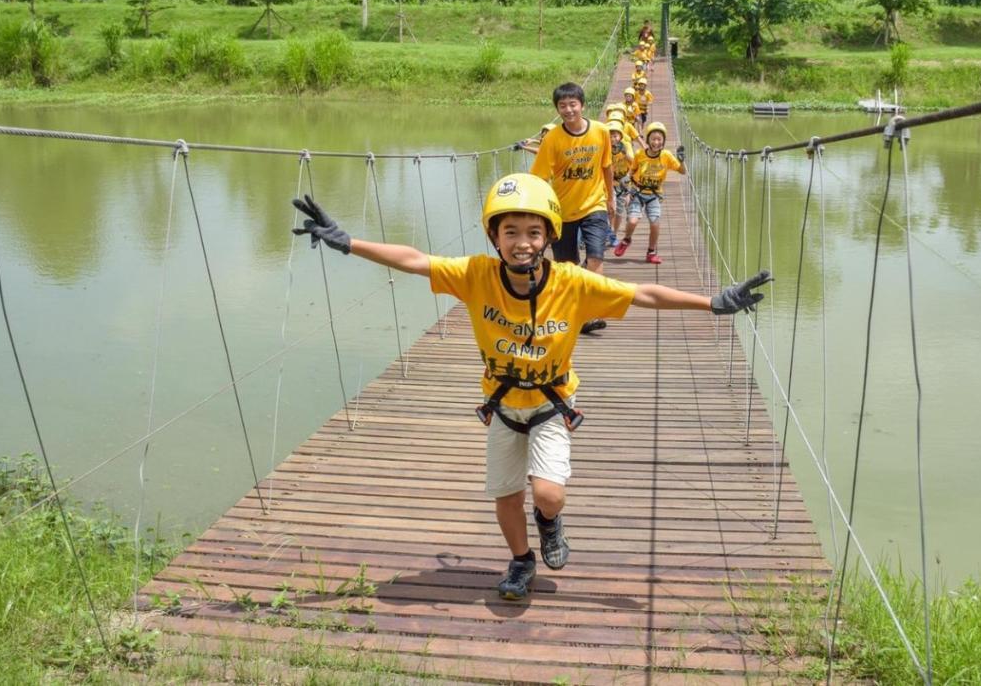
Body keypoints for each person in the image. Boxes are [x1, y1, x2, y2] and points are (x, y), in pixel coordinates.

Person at [291, 175, 771, 600]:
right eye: (511, 232)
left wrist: (711, 302)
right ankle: (521, 562)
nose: (522, 242)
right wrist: (350, 242)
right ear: (494, 236)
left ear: (548, 238)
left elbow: (643, 293)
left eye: (534, 232)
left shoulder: (572, 282)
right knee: (504, 497)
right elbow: (416, 261)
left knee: (548, 494)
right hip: (501, 406)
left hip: (550, 403)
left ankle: (550, 522)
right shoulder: (475, 275)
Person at [530, 82, 614, 334]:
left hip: (594, 205)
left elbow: (607, 166)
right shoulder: (552, 138)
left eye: (572, 104)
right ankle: (572, 305)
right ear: (557, 109)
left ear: (582, 105)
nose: (568, 110)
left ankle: (591, 311)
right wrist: (534, 209)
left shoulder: (601, 131)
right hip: (562, 210)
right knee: (567, 264)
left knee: (596, 255)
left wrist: (610, 198)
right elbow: (539, 178)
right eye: (563, 106)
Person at [613, 122, 686, 265]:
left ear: (663, 141)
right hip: (637, 192)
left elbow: (682, 171)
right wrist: (627, 180)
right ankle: (627, 239)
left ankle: (651, 252)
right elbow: (632, 170)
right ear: (648, 140)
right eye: (653, 139)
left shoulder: (666, 156)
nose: (656, 142)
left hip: (654, 195)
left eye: (659, 139)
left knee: (655, 223)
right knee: (633, 221)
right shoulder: (640, 154)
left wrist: (682, 161)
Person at [605, 117, 635, 249]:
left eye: (615, 136)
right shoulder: (605, 147)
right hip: (609, 183)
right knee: (610, 209)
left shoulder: (626, 145)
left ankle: (613, 234)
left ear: (620, 136)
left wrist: (624, 153)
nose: (613, 139)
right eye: (610, 136)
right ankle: (609, 233)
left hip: (623, 183)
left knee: (619, 212)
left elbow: (633, 163)